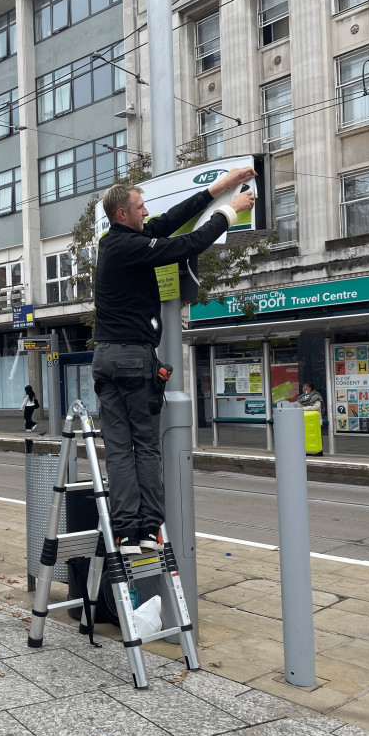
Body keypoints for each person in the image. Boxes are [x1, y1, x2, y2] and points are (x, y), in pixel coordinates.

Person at [93, 168, 256, 555]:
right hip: (133, 357)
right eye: (140, 207)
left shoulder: (114, 242)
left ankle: (125, 532)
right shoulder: (129, 247)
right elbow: (188, 243)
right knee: (146, 446)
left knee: (118, 449)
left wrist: (217, 188)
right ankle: (148, 529)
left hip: (104, 358)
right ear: (123, 214)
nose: (146, 211)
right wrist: (230, 210)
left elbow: (170, 221)